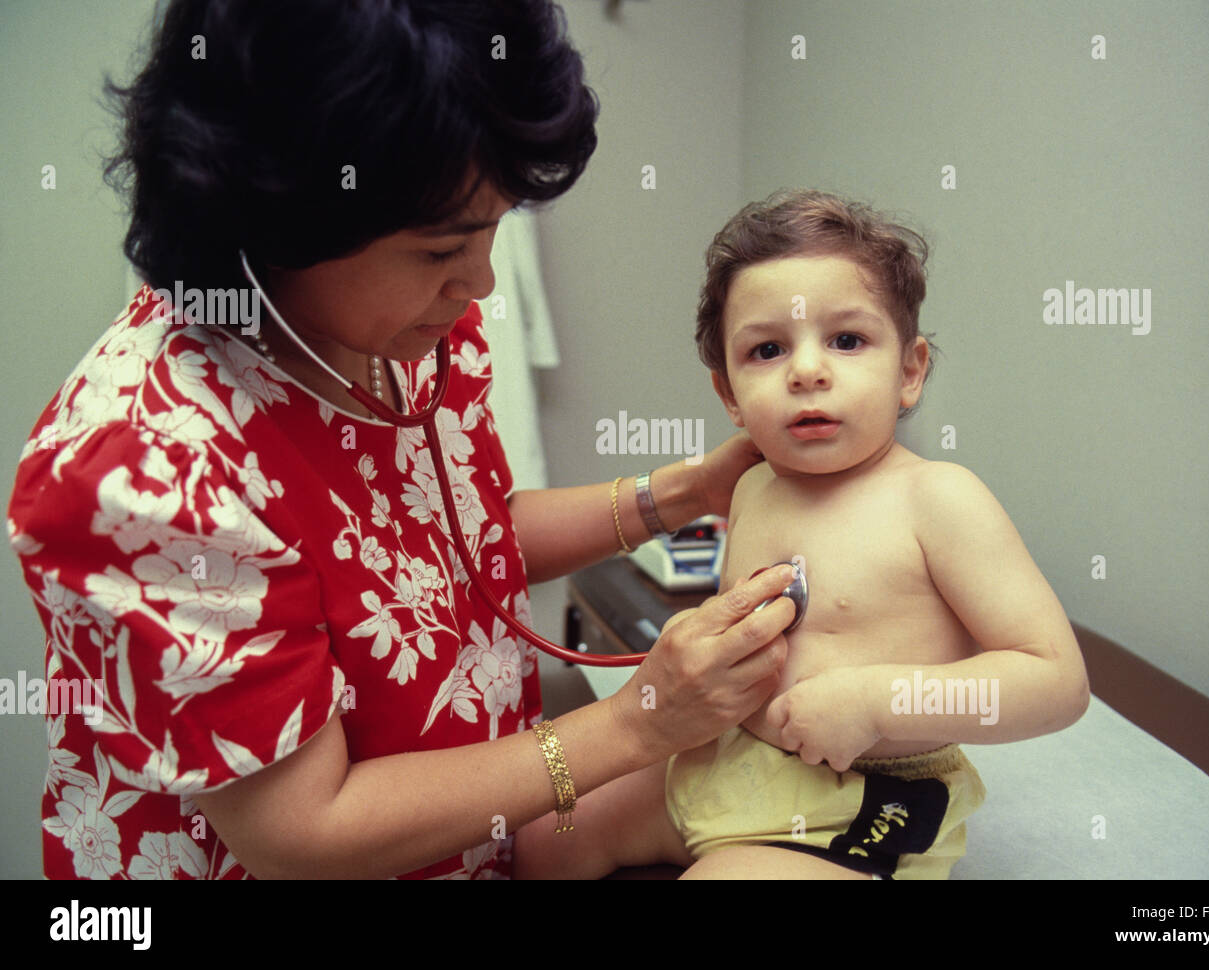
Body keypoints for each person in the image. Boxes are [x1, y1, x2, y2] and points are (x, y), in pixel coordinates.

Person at [6, 0, 799, 880]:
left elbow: (455, 546)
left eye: (497, 228)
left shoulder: (394, 330)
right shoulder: (147, 470)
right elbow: (305, 835)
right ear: (282, 214)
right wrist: (635, 721)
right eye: (439, 250)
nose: (480, 281)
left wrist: (684, 493)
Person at [515, 189, 1091, 879]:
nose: (807, 371)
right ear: (729, 393)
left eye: (847, 341)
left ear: (909, 371)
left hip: (850, 808)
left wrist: (878, 703)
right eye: (766, 349)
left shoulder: (939, 499)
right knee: (541, 834)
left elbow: (1056, 682)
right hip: (719, 762)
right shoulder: (753, 484)